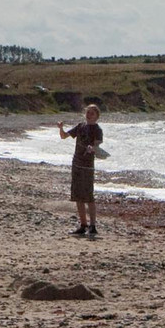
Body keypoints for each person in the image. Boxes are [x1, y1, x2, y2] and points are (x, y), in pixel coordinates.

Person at [57, 102, 104, 238]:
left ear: (96, 116)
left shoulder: (97, 129)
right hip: (76, 163)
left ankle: (93, 226)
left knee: (88, 196)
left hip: (87, 165)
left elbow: (97, 145)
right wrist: (61, 128)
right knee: (77, 195)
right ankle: (83, 225)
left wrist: (92, 148)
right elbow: (64, 136)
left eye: (92, 113)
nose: (89, 115)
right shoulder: (80, 126)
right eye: (88, 112)